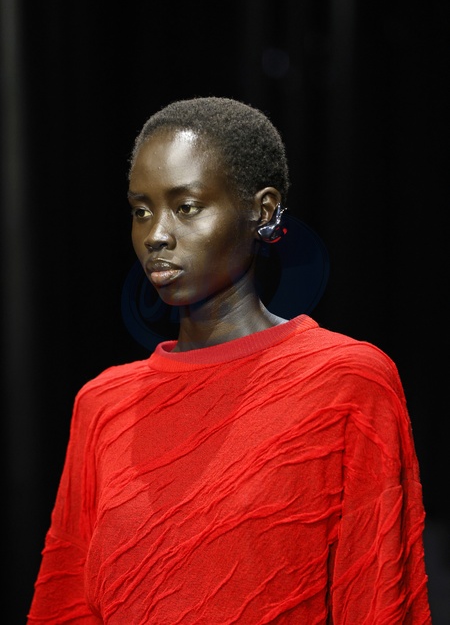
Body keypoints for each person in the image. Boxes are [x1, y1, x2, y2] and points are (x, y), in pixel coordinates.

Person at [28, 97, 431, 623]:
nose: (156, 235)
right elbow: (65, 606)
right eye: (141, 210)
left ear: (263, 211)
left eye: (187, 207)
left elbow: (378, 596)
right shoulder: (103, 403)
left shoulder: (345, 382)